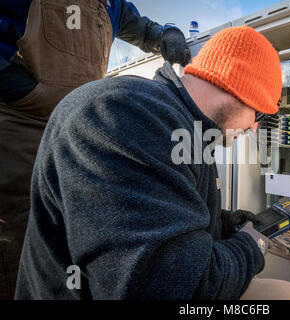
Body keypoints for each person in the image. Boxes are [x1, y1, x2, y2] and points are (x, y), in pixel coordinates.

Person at [15, 25, 290, 300]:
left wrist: (226, 225)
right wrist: (253, 245)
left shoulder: (182, 128)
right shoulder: (124, 113)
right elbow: (170, 287)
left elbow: (166, 214)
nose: (255, 129)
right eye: (259, 116)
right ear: (239, 90)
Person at [0, 0, 190, 299]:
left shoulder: (113, 4)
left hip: (81, 129)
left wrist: (165, 34)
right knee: (20, 238)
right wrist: (22, 90)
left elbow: (142, 28)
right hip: (24, 123)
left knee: (77, 230)